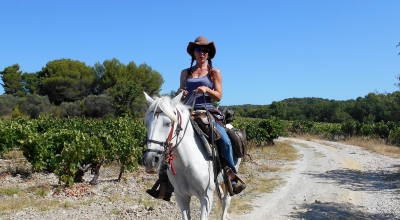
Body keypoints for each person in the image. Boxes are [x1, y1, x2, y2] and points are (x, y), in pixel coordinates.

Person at [146, 36, 246, 201]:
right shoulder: (185, 73)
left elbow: (219, 96)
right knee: (168, 142)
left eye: (205, 50)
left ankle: (231, 177)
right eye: (199, 49)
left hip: (207, 112)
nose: (202, 53)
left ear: (209, 54)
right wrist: (181, 92)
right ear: (193, 52)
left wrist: (206, 89)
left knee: (226, 141)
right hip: (187, 112)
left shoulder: (214, 72)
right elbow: (180, 93)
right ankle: (165, 183)